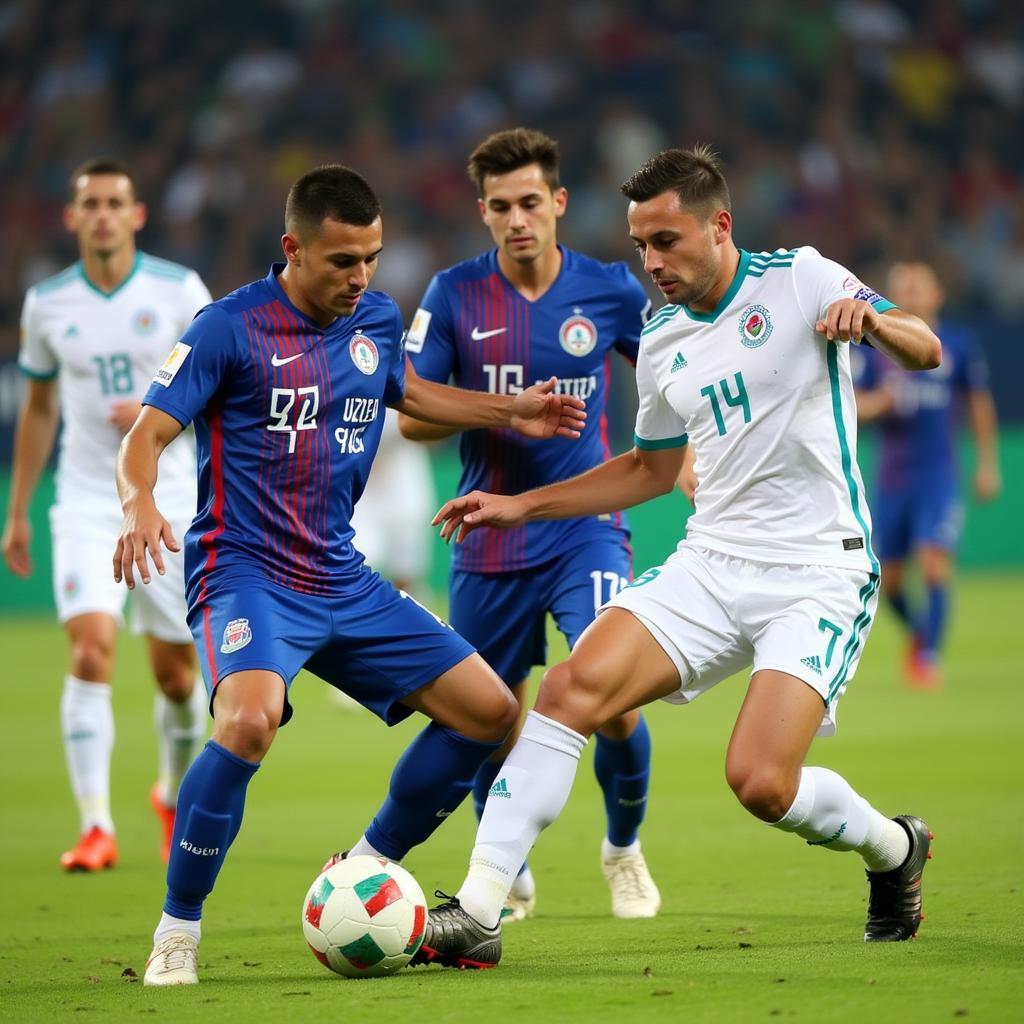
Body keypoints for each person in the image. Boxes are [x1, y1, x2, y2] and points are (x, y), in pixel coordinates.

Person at [416, 145, 942, 970]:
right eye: (640, 246)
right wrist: (520, 503)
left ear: (719, 225)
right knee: (566, 690)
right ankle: (480, 908)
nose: (652, 263)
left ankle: (893, 849)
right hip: (711, 563)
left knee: (762, 783)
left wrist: (874, 320)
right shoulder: (660, 339)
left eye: (667, 241)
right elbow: (649, 471)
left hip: (816, 572)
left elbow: (925, 348)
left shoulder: (801, 277)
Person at [112, 164, 587, 986]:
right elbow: (145, 436)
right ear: (293, 248)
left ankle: (365, 865)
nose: (360, 276)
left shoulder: (374, 316)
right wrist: (139, 505)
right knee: (249, 722)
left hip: (341, 574)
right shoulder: (228, 327)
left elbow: (408, 394)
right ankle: (176, 932)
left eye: (370, 257)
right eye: (341, 261)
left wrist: (509, 410)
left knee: (493, 713)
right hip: (246, 574)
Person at [398, 127, 661, 922]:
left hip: (585, 527)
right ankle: (503, 869)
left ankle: (623, 847)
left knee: (613, 696)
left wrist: (686, 454)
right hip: (487, 535)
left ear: (559, 203)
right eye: (502, 207)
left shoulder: (611, 291)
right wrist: (506, 409)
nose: (519, 219)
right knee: (489, 713)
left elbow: (671, 375)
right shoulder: (452, 294)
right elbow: (411, 416)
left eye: (532, 203)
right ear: (483, 211)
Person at [2, 158, 211, 871]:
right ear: (71, 217)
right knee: (91, 649)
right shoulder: (47, 305)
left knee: (178, 679)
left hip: (168, 500)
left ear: (137, 214)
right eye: (88, 203)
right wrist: (20, 509)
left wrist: (161, 413)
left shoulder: (180, 290)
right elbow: (38, 409)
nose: (101, 214)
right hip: (89, 501)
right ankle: (96, 826)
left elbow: (225, 386)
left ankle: (171, 794)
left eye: (114, 202)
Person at [854, 261, 1000, 689]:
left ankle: (929, 657)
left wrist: (988, 464)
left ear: (938, 295)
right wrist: (881, 402)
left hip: (938, 476)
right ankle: (921, 634)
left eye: (920, 288)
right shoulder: (875, 349)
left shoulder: (956, 344)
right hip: (892, 479)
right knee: (892, 582)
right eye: (904, 290)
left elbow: (979, 404)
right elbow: (853, 406)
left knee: (935, 564)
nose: (913, 296)